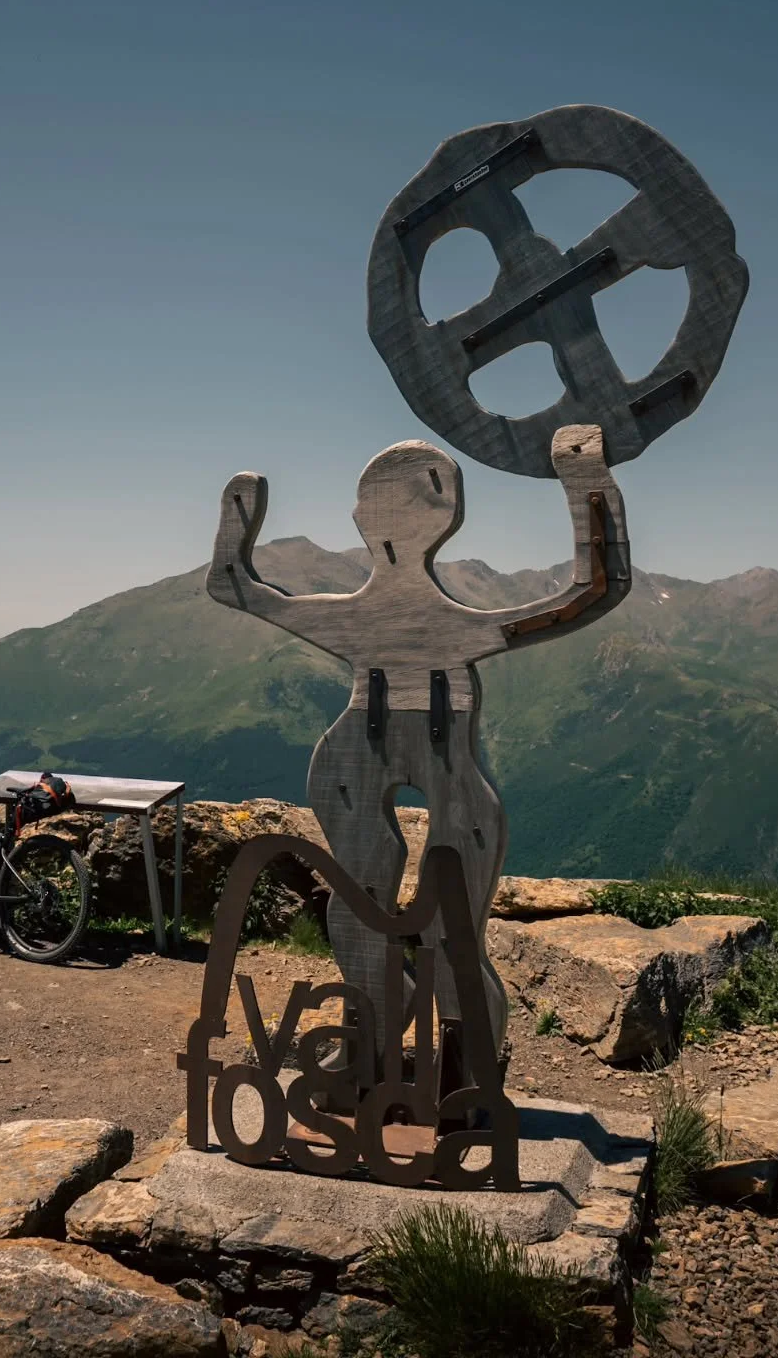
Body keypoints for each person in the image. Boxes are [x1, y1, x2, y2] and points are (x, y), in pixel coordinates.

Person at [207, 424, 629, 1075]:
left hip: (360, 762)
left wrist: (237, 524)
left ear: (361, 518)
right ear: (448, 515)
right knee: (404, 925)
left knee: (418, 926)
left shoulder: (386, 621)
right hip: (378, 763)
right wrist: (585, 485)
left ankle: (425, 1064)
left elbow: (234, 585)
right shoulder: (452, 627)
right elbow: (591, 591)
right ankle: (425, 1065)